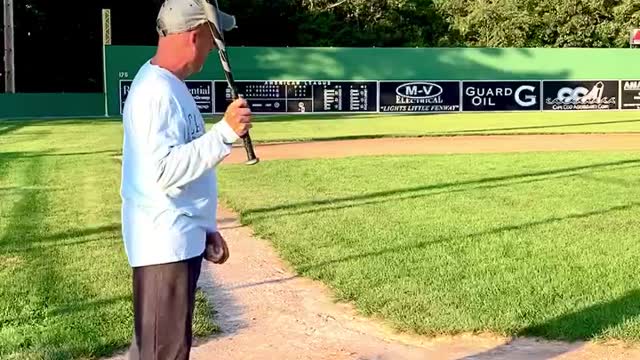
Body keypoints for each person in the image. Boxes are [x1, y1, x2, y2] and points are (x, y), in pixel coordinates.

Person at [119, 0, 251, 358]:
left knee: (155, 349)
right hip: (164, 246)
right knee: (165, 352)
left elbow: (181, 167)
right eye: (212, 39)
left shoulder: (169, 85)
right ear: (194, 36)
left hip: (177, 238)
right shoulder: (156, 93)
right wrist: (224, 133)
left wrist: (204, 226)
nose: (213, 48)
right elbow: (164, 171)